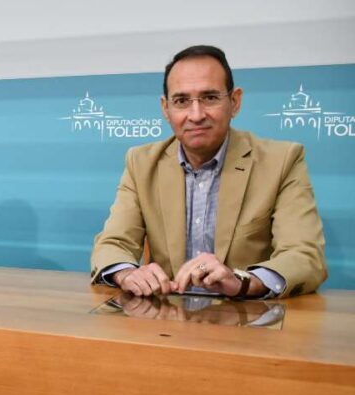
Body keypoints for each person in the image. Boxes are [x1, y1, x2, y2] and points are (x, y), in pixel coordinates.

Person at [91, 45, 327, 298]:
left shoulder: (282, 161)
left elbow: (304, 255)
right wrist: (128, 273)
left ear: (234, 102)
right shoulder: (141, 162)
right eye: (181, 101)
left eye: (210, 98)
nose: (196, 115)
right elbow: (113, 243)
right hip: (166, 323)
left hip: (246, 320)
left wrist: (243, 282)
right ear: (165, 109)